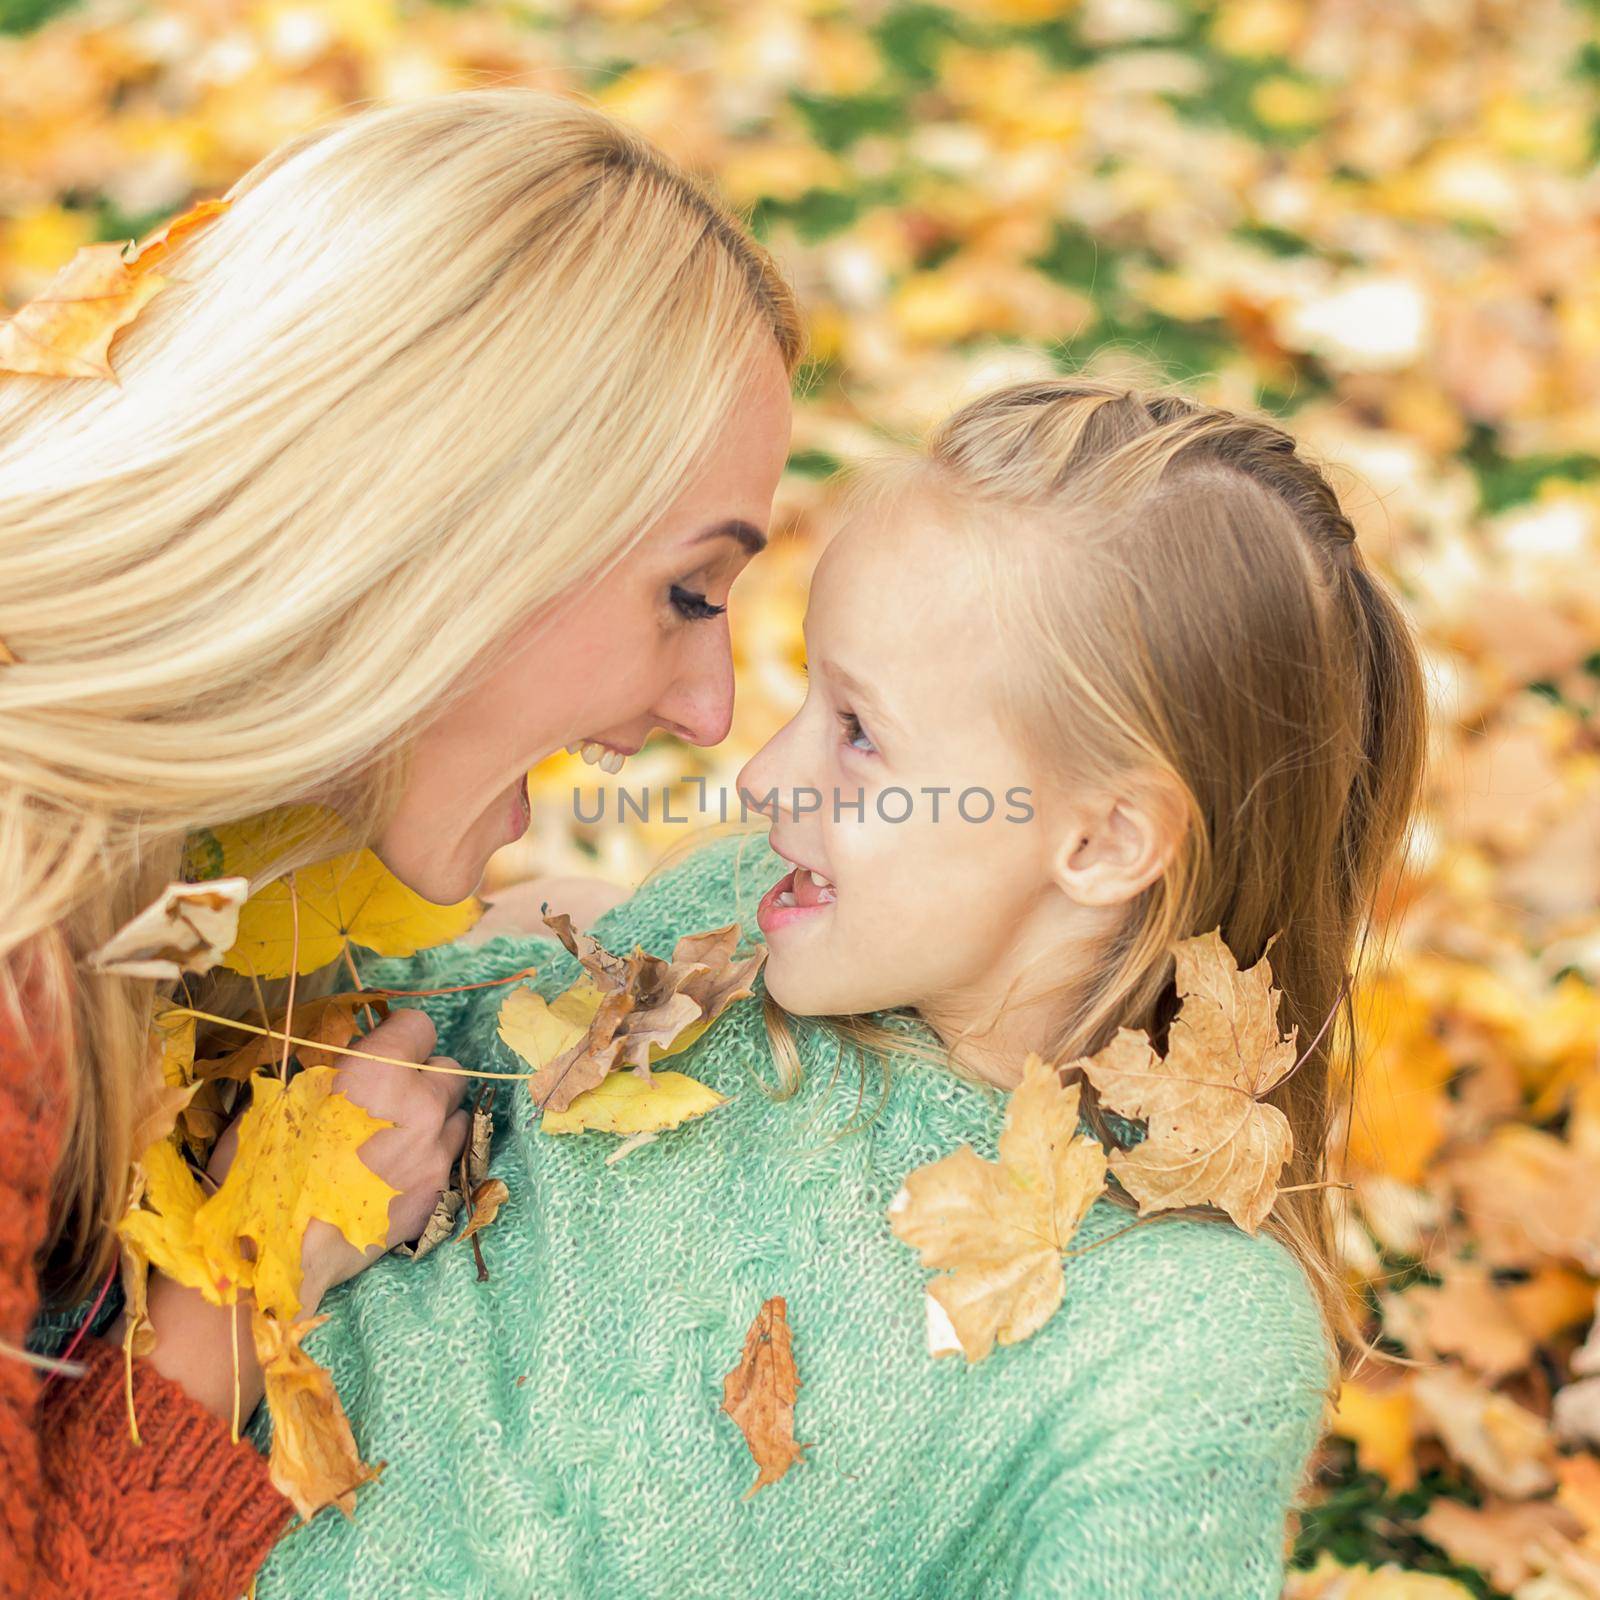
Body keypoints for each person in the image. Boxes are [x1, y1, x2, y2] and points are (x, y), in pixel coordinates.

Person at [247, 378, 1428, 1598]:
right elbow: (347, 1028)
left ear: (1102, 842)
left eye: (858, 731)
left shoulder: (1173, 1333)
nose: (762, 774)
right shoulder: (732, 934)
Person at [0, 86, 800, 1600]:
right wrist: (245, 1295)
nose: (711, 708)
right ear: (449, 528)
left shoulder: (148, 839)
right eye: (692, 594)